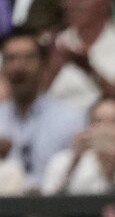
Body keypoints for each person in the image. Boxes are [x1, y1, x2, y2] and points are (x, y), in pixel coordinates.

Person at [0, 28, 86, 192]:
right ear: (3, 68)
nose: (19, 67)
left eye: (28, 58)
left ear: (43, 66)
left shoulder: (71, 119)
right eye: (11, 59)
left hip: (56, 211)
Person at [42, 0, 115, 112]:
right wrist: (52, 69)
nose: (70, 4)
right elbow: (27, 100)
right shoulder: (51, 44)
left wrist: (90, 70)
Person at [41, 96, 115, 195]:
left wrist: (111, 172)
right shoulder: (62, 162)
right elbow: (49, 205)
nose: (106, 129)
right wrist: (74, 162)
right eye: (98, 121)